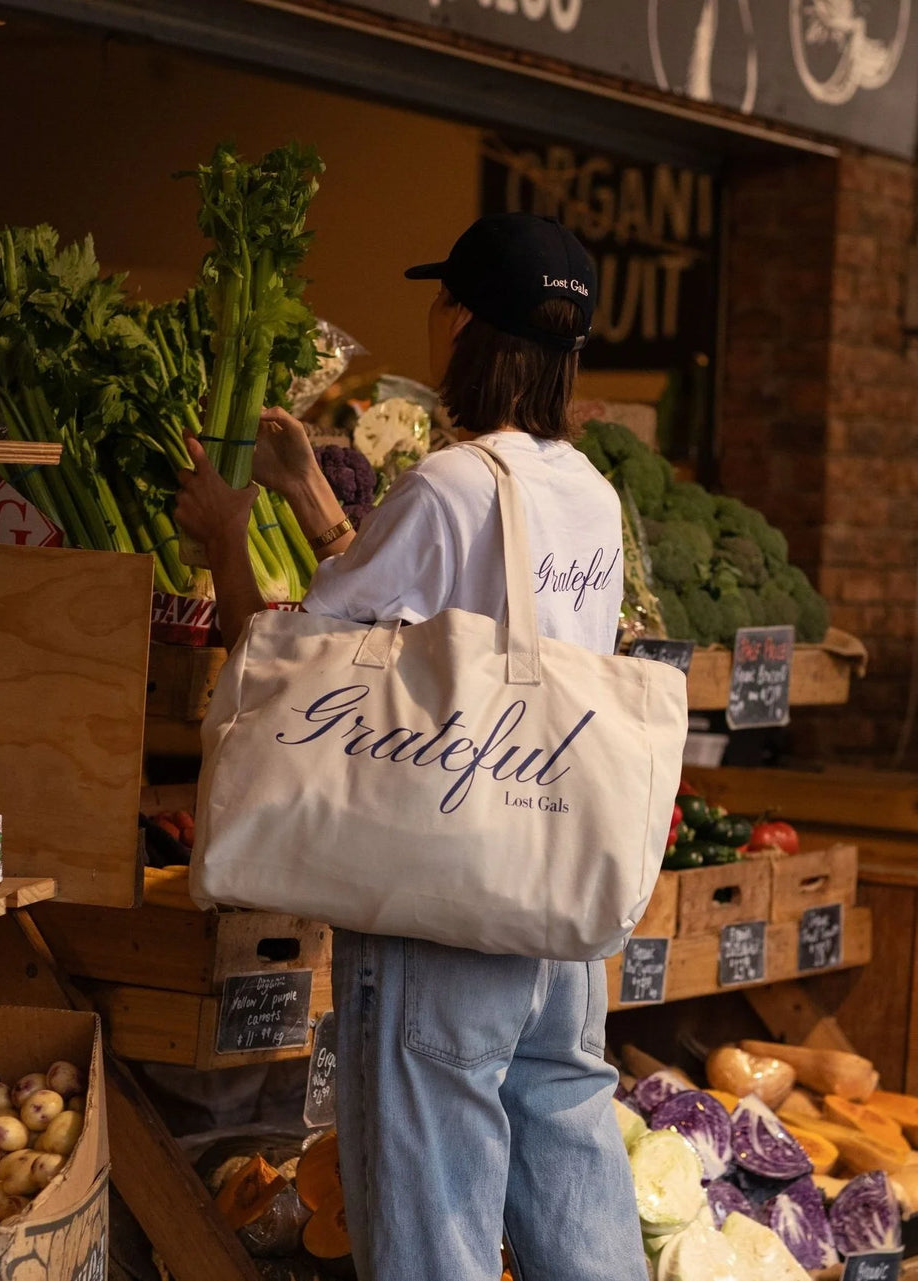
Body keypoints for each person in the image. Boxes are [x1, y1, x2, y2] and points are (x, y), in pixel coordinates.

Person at [175, 212, 644, 1281]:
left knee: (429, 1200)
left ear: (464, 326)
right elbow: (456, 623)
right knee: (566, 1146)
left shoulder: (451, 485)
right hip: (555, 887)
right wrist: (306, 494)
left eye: (443, 304)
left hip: (447, 888)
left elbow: (285, 665)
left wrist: (223, 536)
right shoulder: (589, 499)